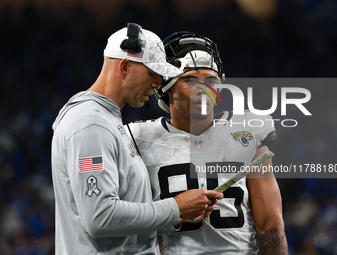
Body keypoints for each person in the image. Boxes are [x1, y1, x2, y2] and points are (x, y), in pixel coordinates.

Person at [51, 24, 223, 255]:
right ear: (124, 67)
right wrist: (175, 207)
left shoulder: (105, 118)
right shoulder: (90, 123)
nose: (158, 84)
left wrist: (178, 214)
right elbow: (100, 217)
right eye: (152, 73)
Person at [129, 32, 288, 254]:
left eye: (210, 81)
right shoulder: (137, 139)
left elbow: (270, 224)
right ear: (167, 86)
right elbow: (127, 221)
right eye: (190, 80)